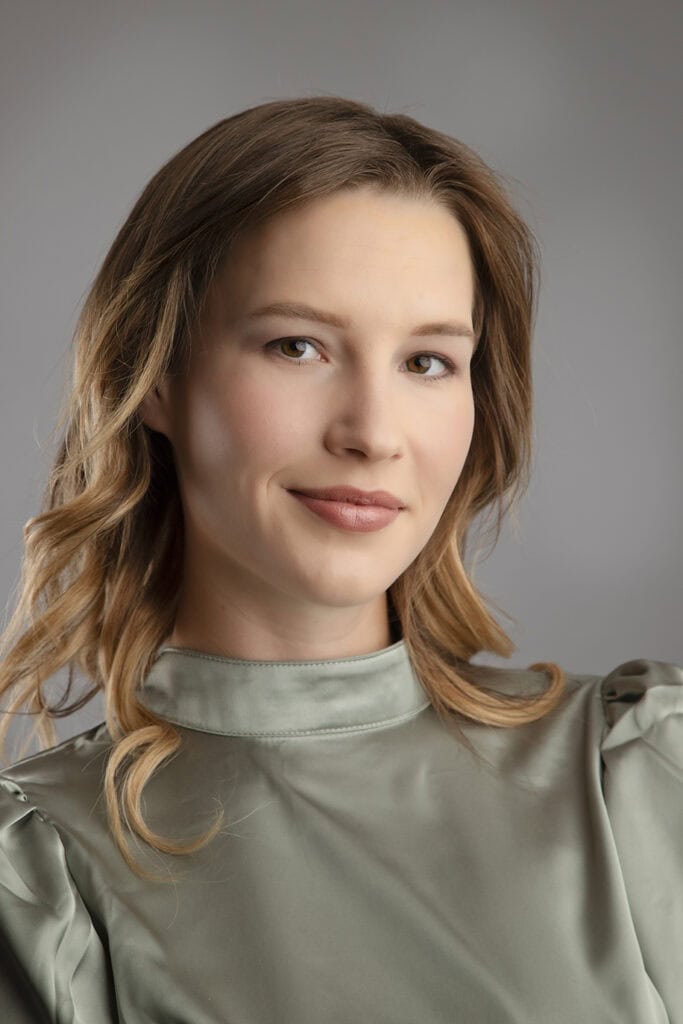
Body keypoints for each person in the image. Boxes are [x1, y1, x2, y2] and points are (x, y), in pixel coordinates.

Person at [0, 94, 680, 1024]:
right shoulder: (40, 878)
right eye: (299, 346)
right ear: (152, 377)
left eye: (427, 362)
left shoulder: (634, 781)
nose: (371, 433)